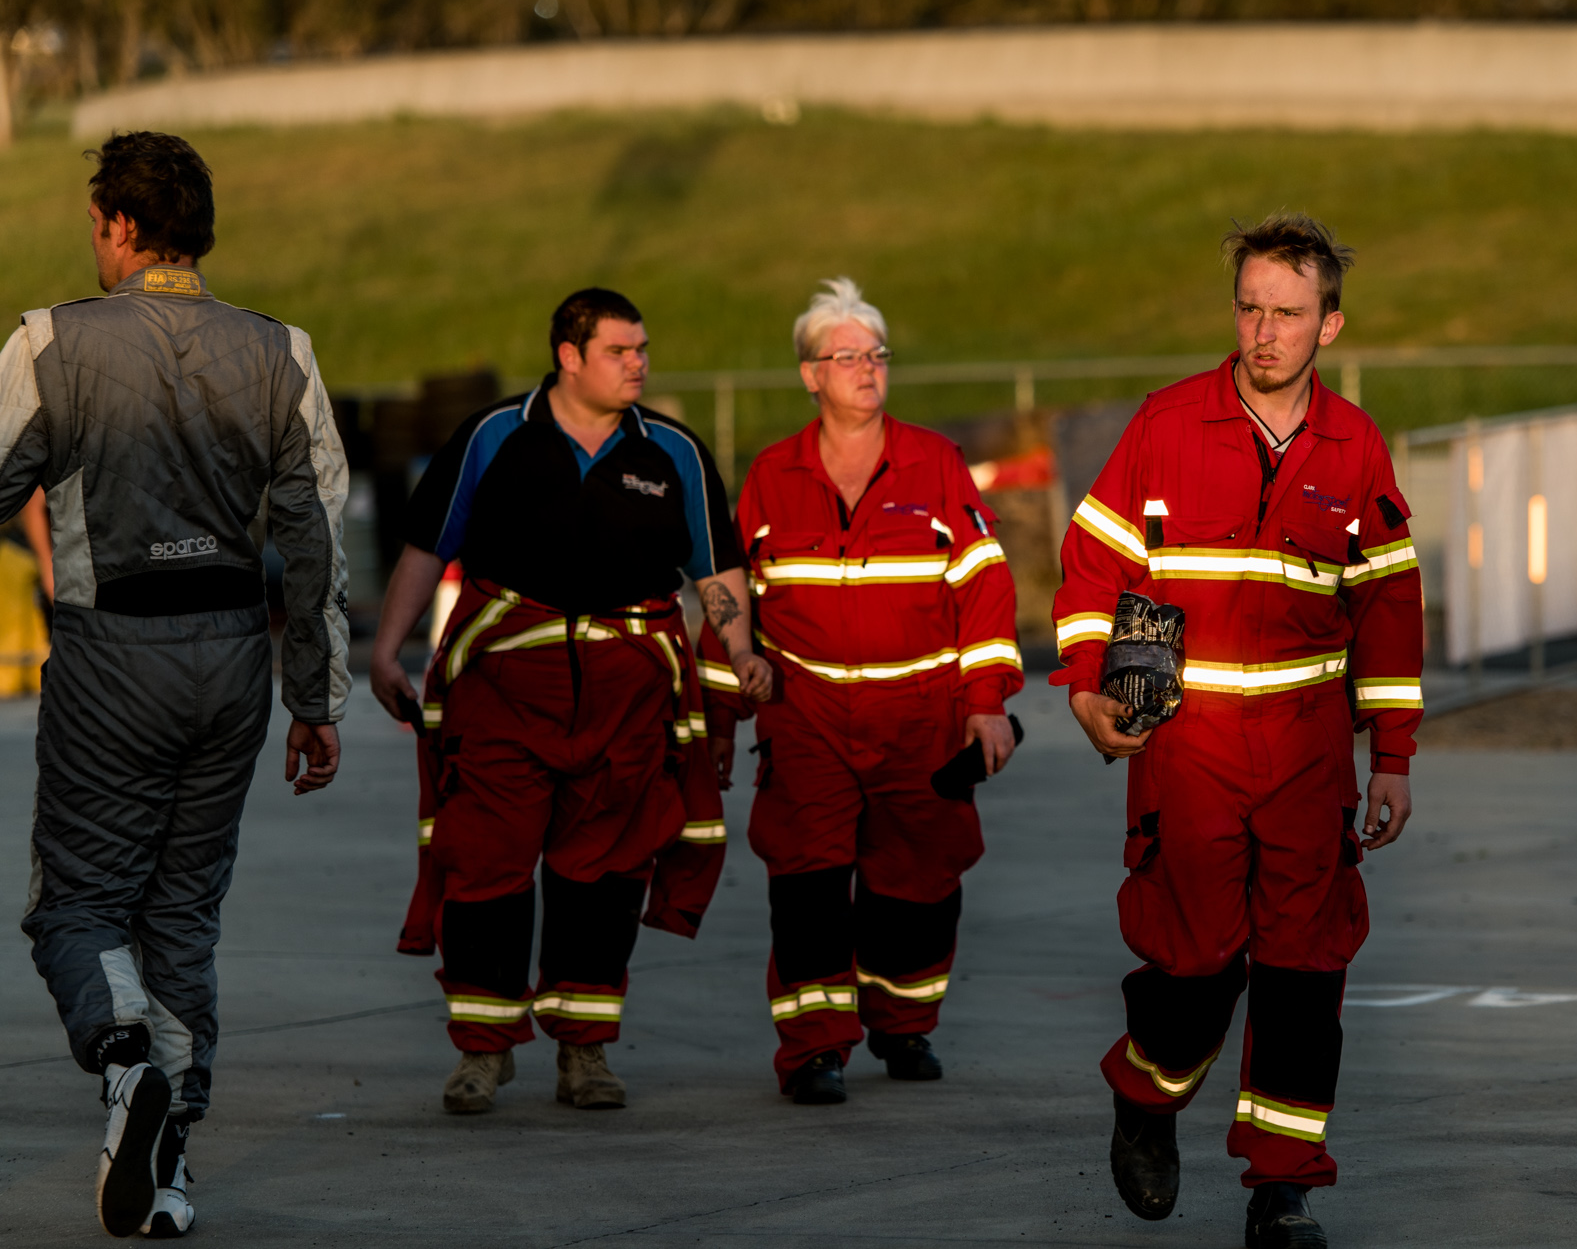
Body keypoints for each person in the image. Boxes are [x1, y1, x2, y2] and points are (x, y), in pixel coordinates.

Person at [1050, 214, 1423, 1247]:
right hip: (1187, 747)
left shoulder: (1355, 447)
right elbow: (1092, 576)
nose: (1264, 333)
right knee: (1192, 963)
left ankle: (1282, 1187)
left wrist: (1389, 755)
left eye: (1288, 314)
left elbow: (1387, 608)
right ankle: (1145, 1090)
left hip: (1307, 754)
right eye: (1250, 309)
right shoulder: (1163, 426)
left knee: (1306, 970)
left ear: (1328, 327)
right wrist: (1088, 692)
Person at [3, 131, 350, 1238]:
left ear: (118, 227)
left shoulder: (52, 340)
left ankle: (123, 1066)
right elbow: (316, 540)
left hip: (114, 656)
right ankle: (167, 1164)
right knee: (183, 915)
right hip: (235, 660)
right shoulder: (280, 351)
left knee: (77, 901)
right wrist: (316, 698)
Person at [371, 287, 772, 1115]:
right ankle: (482, 1050)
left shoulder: (675, 453)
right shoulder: (492, 437)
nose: (639, 364)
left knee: (607, 870)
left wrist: (739, 646)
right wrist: (385, 650)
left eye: (643, 349)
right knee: (484, 861)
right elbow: (424, 545)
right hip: (504, 695)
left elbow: (714, 569)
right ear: (570, 355)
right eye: (621, 351)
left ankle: (584, 1049)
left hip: (626, 701)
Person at [701, 278, 1023, 1104]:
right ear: (810, 374)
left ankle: (903, 1024)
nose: (866, 369)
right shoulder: (772, 476)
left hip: (921, 716)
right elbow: (731, 596)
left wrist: (986, 699)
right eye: (845, 356)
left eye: (875, 354)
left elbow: (984, 585)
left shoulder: (936, 463)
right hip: (805, 717)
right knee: (807, 886)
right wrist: (720, 710)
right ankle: (814, 1048)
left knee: (919, 884)